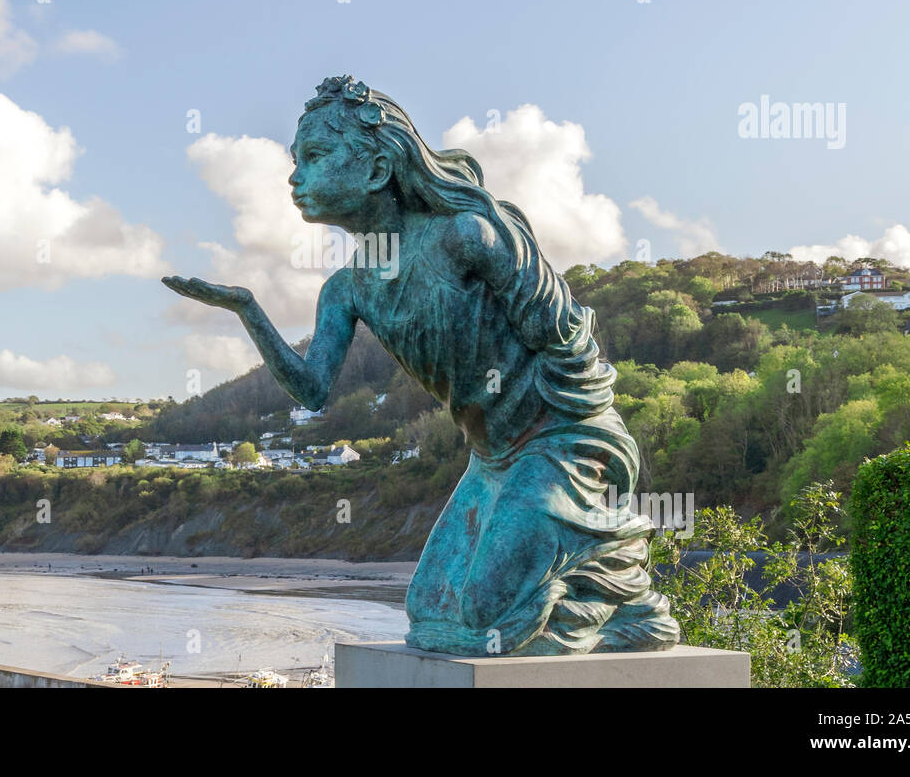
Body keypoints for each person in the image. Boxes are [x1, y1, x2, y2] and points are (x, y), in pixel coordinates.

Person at [163, 76, 679, 656]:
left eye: (315, 156)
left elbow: (568, 342)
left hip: (562, 441)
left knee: (484, 621)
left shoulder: (468, 234)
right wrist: (247, 309)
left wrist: (567, 433)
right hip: (491, 461)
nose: (294, 175)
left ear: (378, 169)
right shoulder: (348, 288)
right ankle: (587, 589)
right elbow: (311, 390)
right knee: (430, 614)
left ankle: (620, 600)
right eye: (295, 159)